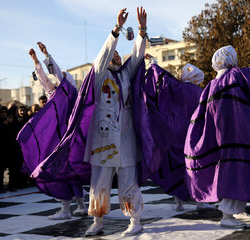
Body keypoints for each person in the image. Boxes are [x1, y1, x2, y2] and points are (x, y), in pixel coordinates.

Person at [184, 45, 250, 229]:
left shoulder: (213, 84)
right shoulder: (236, 76)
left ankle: (237, 210)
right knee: (238, 171)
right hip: (238, 135)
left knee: (237, 170)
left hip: (223, 137)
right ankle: (227, 215)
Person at [83, 7, 147, 237]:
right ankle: (97, 221)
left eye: (118, 54)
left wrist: (141, 30)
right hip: (103, 140)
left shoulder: (126, 74)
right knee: (99, 183)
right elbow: (101, 57)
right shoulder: (99, 76)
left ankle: (135, 220)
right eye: (113, 54)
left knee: (129, 181)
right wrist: (116, 29)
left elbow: (137, 56)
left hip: (127, 138)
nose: (117, 55)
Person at [28, 44, 87, 219]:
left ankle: (66, 210)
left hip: (64, 140)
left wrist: (46, 55)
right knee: (70, 172)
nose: (54, 82)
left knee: (62, 172)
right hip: (64, 139)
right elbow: (44, 79)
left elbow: (56, 75)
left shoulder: (70, 94)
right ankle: (80, 206)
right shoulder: (55, 94)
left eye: (59, 80)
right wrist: (36, 61)